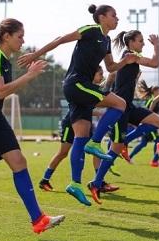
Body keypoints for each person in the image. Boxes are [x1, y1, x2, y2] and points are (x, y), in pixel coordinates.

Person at [0, 7, 65, 233]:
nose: (23, 40)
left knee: (19, 162)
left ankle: (38, 220)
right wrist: (29, 76)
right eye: (20, 36)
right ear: (7, 37)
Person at [18, 4, 131, 206]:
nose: (117, 18)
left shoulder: (105, 41)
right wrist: (35, 55)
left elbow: (111, 67)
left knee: (80, 135)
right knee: (120, 104)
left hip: (81, 89)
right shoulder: (90, 30)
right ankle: (95, 143)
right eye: (114, 15)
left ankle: (75, 184)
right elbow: (60, 40)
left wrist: (127, 60)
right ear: (102, 17)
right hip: (77, 83)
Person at [86, 30, 159, 204]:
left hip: (129, 106)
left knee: (157, 121)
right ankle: (96, 183)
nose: (143, 44)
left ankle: (125, 142)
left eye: (143, 41)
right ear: (131, 43)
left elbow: (113, 75)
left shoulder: (127, 58)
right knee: (115, 149)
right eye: (140, 41)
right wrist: (156, 45)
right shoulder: (130, 55)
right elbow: (155, 63)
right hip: (120, 108)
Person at [38, 66, 119, 194]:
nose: (101, 76)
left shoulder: (92, 89)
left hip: (84, 123)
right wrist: (100, 113)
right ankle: (45, 180)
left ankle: (100, 182)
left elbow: (100, 95)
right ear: (92, 74)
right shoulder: (81, 88)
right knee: (63, 153)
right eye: (100, 74)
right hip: (70, 124)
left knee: (96, 150)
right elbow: (82, 109)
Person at [126, 81, 159, 164]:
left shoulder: (156, 101)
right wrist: (150, 116)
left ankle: (129, 157)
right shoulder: (152, 101)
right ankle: (155, 161)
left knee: (143, 143)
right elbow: (147, 112)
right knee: (158, 141)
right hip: (150, 124)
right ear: (154, 92)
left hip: (150, 124)